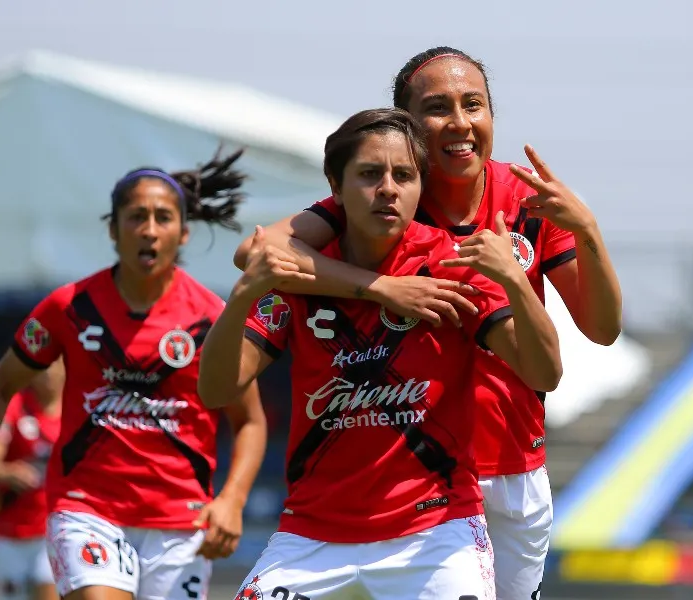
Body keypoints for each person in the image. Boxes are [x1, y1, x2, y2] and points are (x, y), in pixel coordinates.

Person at [232, 47, 623, 599]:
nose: (460, 123)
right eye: (438, 108)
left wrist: (587, 228)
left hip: (513, 465)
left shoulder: (528, 199)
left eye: (474, 105)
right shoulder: (388, 191)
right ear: (407, 125)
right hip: (418, 484)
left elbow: (602, 329)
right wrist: (382, 287)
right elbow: (256, 255)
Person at [199, 108, 562, 600]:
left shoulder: (454, 264)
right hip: (312, 534)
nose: (388, 188)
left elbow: (545, 372)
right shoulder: (296, 275)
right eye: (370, 174)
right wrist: (243, 296)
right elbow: (216, 388)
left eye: (405, 176)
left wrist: (515, 281)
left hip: (435, 533)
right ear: (336, 186)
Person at [0, 147, 269, 600]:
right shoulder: (69, 307)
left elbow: (251, 421)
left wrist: (232, 500)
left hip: (181, 523)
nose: (149, 229)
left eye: (163, 218)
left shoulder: (211, 318)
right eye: (136, 216)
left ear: (183, 233)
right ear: (112, 229)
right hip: (87, 511)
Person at [0, 360, 64, 600]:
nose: (48, 375)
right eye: (42, 370)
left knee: (48, 590)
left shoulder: (78, 407)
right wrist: (10, 472)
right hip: (11, 531)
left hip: (54, 531)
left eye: (54, 368)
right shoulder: (15, 405)